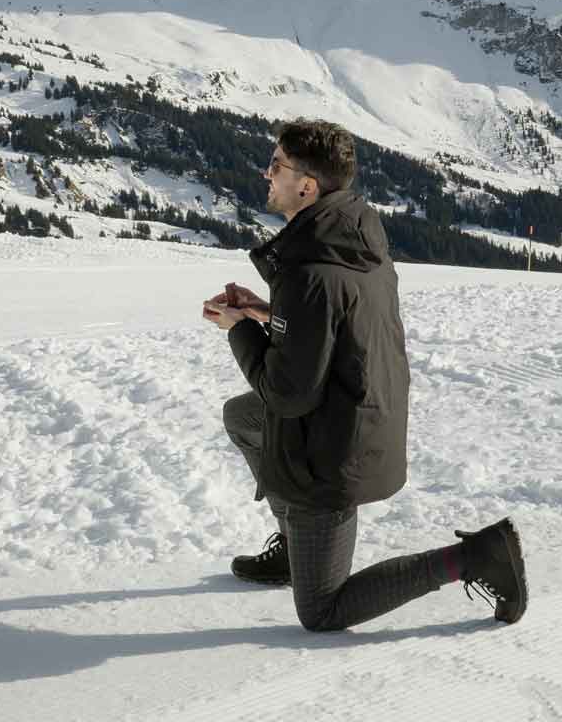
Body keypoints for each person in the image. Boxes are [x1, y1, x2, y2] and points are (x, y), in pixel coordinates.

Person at [205, 118, 527, 631]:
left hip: (333, 454)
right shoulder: (350, 233)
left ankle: (475, 557)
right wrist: (267, 315)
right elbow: (336, 324)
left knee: (322, 611)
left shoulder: (311, 271)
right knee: (243, 415)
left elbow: (288, 394)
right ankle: (295, 547)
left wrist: (235, 330)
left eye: (276, 165)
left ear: (306, 186)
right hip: (363, 412)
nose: (267, 174)